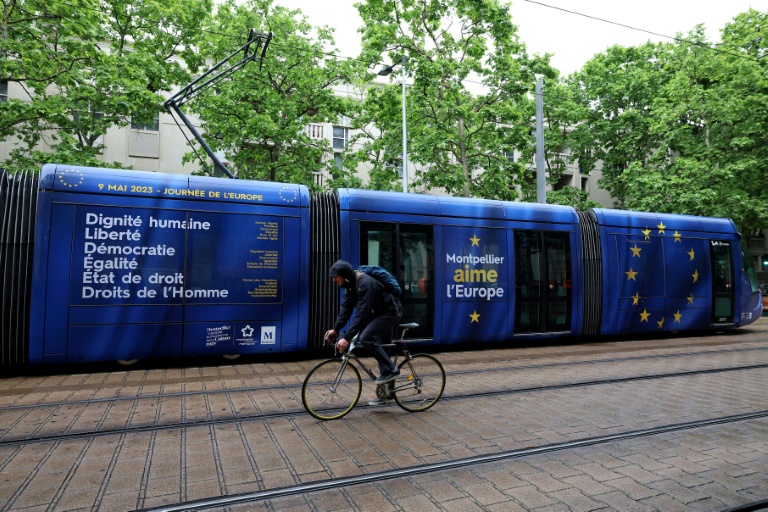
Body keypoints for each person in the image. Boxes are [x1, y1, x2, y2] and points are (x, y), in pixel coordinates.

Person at [325, 259, 403, 405]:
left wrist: (347, 337)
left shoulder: (365, 283)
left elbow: (362, 313)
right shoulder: (350, 286)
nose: (334, 280)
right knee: (382, 350)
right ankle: (387, 393)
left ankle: (392, 370)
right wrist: (336, 329)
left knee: (366, 337)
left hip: (390, 312)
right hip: (379, 314)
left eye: (336, 276)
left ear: (345, 275)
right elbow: (346, 310)